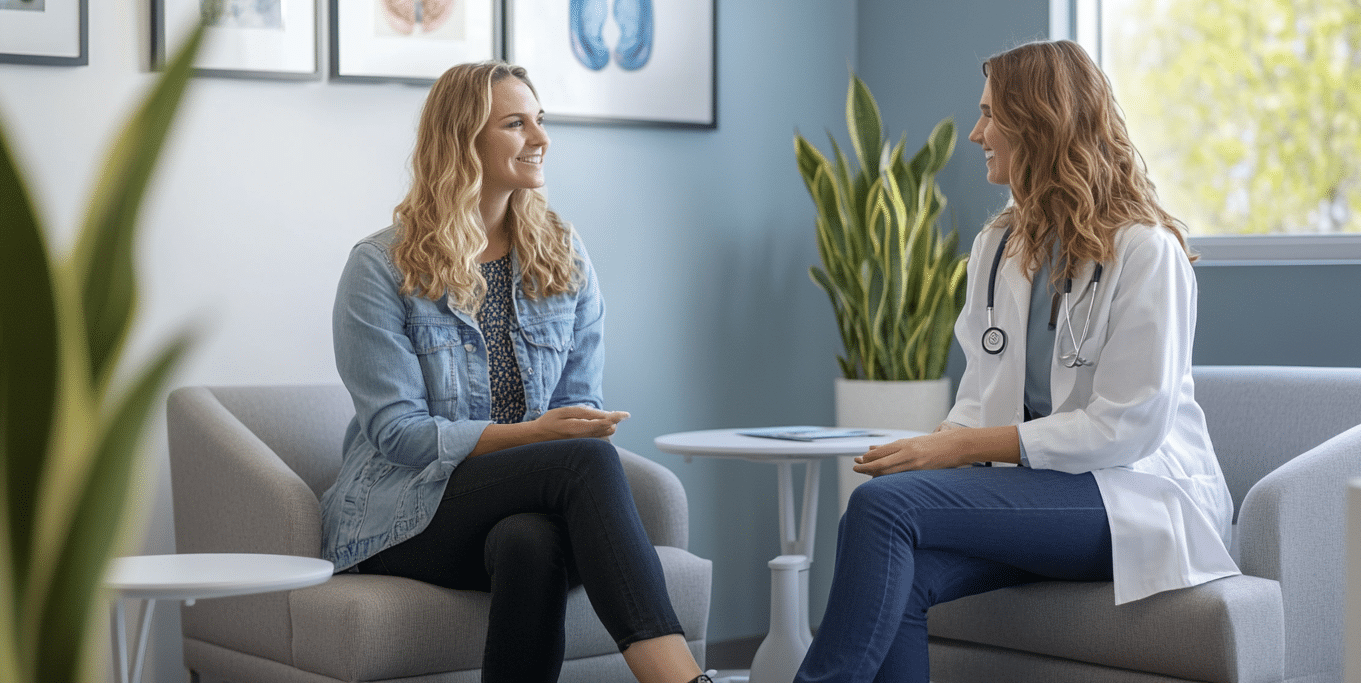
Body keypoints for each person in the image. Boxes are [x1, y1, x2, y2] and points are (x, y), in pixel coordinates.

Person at [793, 40, 1241, 683]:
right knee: (902, 562)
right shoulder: (1000, 245)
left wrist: (960, 451)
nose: (976, 133)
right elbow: (979, 393)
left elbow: (1130, 428)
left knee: (882, 508)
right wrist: (935, 447)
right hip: (1041, 494)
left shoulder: (1147, 251)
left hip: (1129, 496)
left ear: (1040, 124)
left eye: (989, 116)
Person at [318, 61, 713, 683]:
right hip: (407, 510)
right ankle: (683, 680)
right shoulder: (380, 266)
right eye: (515, 123)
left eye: (540, 120)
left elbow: (579, 401)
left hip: (524, 501)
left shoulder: (562, 253)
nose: (541, 137)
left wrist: (570, 430)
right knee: (585, 463)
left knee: (530, 541)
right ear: (463, 140)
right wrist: (537, 438)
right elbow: (398, 433)